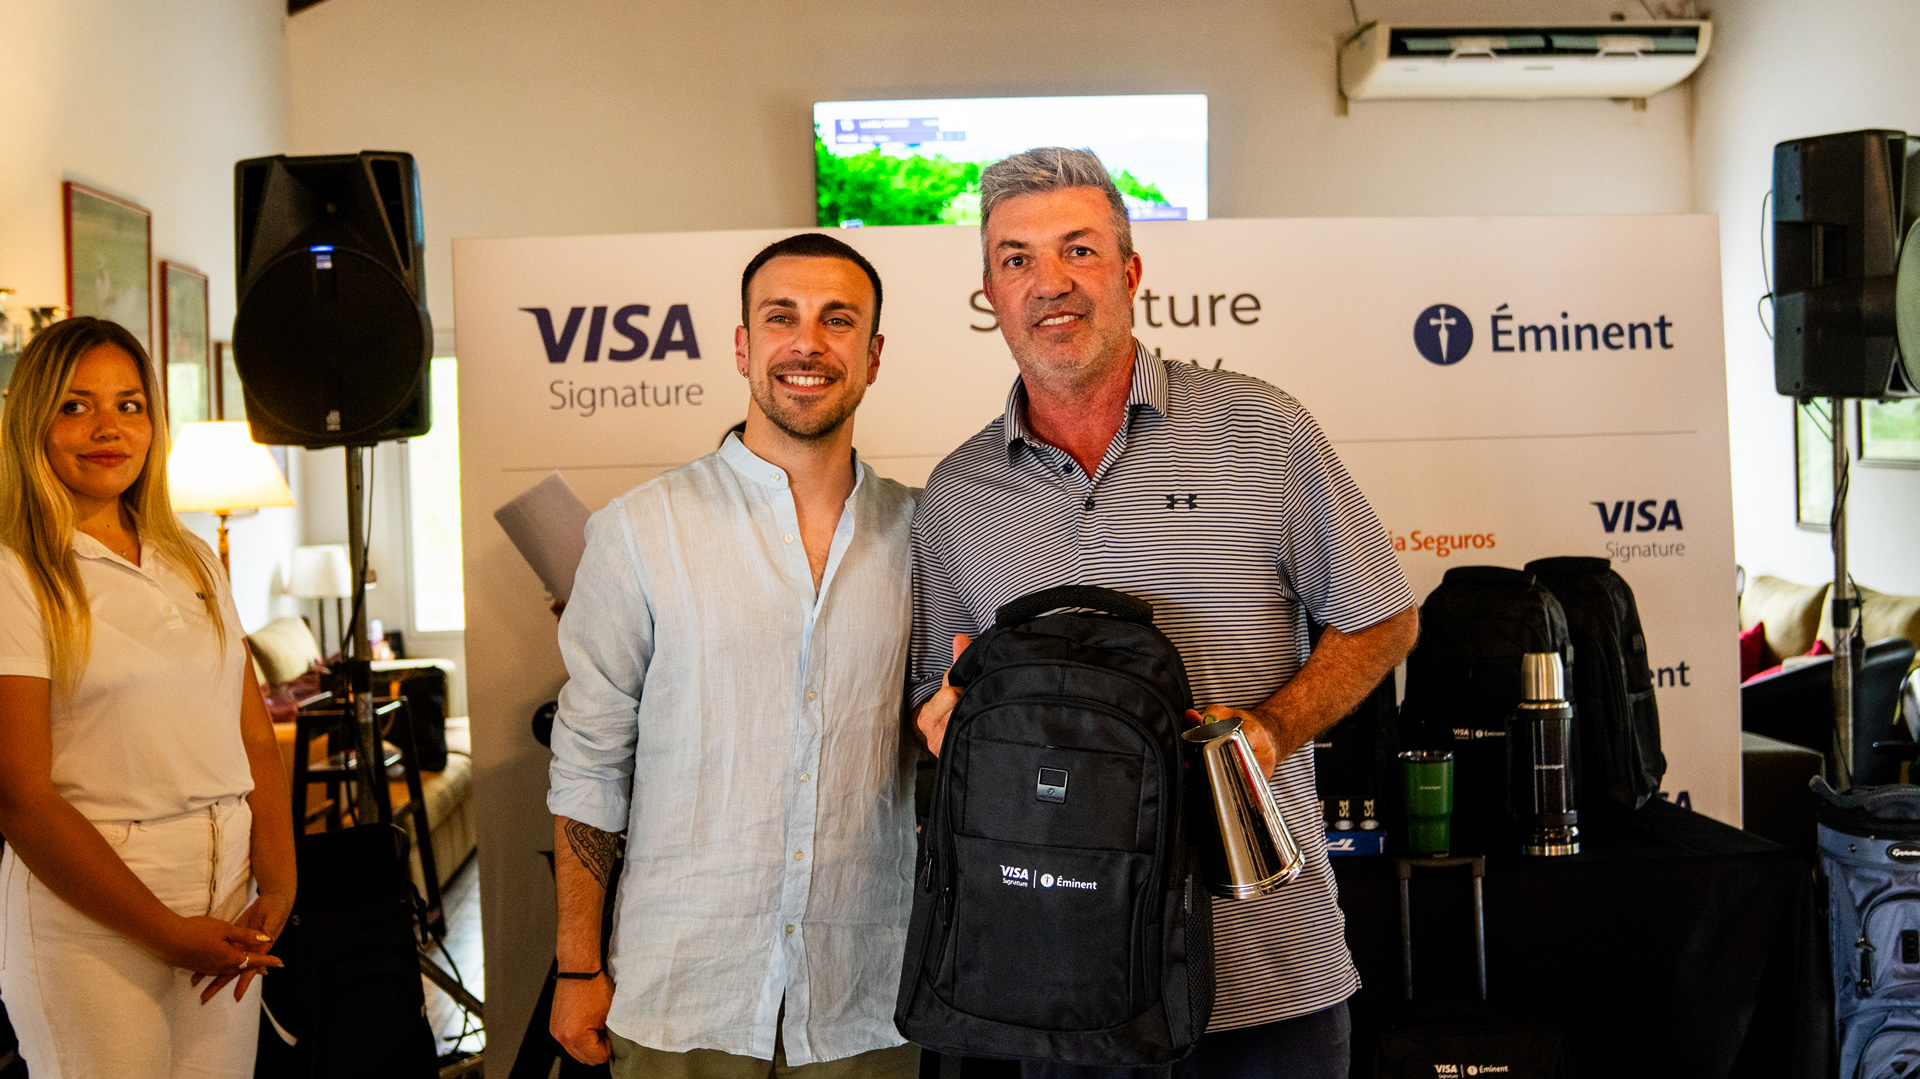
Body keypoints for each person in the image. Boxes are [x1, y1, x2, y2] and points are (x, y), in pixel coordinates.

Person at [908, 148, 1420, 1079]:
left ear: (1131, 272)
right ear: (990, 294)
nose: (1050, 282)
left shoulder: (1262, 431)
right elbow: (934, 694)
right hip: (1059, 991)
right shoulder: (956, 494)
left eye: (1079, 250)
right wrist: (946, 719)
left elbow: (1383, 618)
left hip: (1266, 977)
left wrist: (1271, 730)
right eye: (1018, 259)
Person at [547, 233, 920, 1079]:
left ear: (873, 355)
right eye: (782, 318)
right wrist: (577, 966)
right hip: (683, 993)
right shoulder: (640, 529)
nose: (808, 343)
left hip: (863, 998)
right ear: (745, 347)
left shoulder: (926, 535)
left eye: (837, 320)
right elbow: (589, 763)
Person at [0, 317, 295, 1078]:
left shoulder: (191, 555)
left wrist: (280, 882)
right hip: (94, 910)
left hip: (227, 893)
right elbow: (22, 797)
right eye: (75, 406)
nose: (108, 428)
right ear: (32, 420)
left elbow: (253, 738)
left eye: (129, 405)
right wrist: (164, 930)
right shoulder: (15, 569)